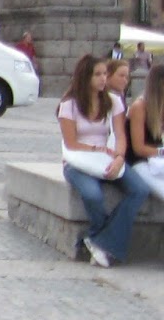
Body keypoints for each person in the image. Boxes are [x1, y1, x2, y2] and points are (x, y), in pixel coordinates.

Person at [58, 54, 150, 268]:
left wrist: (119, 158)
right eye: (97, 74)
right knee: (93, 194)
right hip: (78, 162)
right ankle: (102, 240)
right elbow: (71, 143)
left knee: (139, 189)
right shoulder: (69, 105)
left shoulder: (113, 101)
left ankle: (98, 241)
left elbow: (120, 135)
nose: (103, 78)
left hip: (107, 158)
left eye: (104, 74)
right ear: (85, 77)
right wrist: (96, 148)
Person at [126, 63, 164, 202]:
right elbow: (138, 148)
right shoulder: (140, 107)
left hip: (156, 160)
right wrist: (161, 152)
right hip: (138, 162)